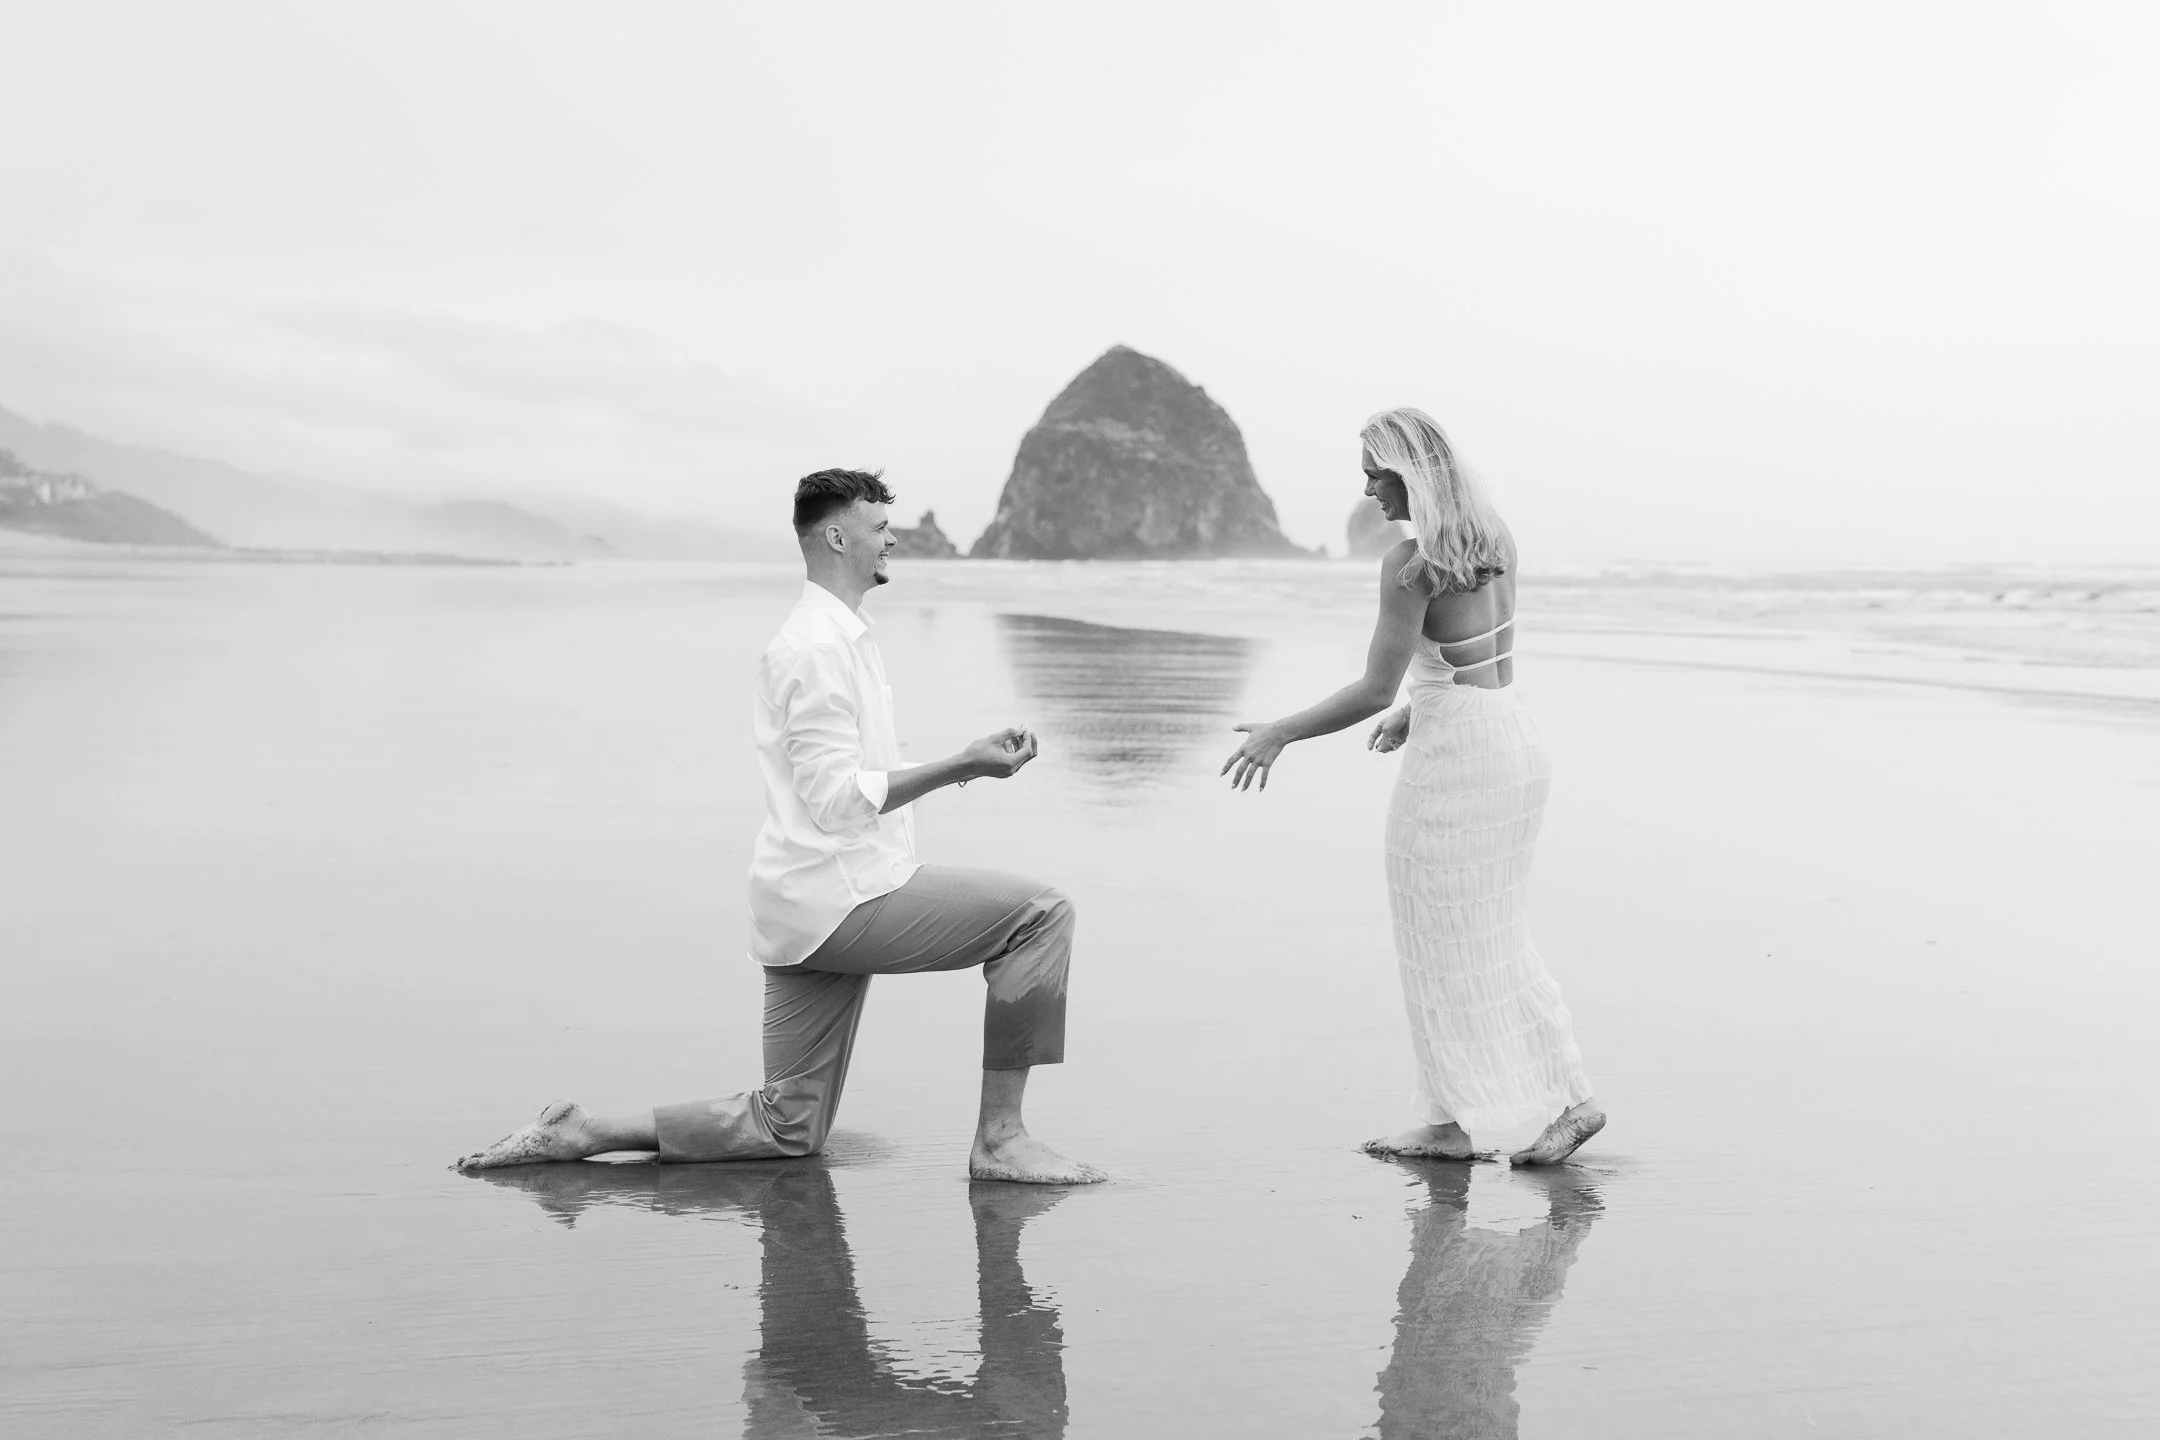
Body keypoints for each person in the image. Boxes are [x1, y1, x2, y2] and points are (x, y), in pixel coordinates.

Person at [453, 468, 1103, 1184]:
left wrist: (964, 760)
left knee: (789, 1126)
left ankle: (581, 1131)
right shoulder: (817, 649)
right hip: (848, 898)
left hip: (802, 906)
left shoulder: (839, 637)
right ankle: (1002, 1140)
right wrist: (963, 765)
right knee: (1040, 916)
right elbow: (836, 800)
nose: (893, 541)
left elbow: (852, 774)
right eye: (880, 529)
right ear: (836, 536)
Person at [1219, 409, 1605, 1165]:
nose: (1367, 490)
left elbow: (1370, 687)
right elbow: (1471, 655)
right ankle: (1526, 1104)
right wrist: (1413, 708)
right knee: (1494, 934)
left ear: (1415, 473)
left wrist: (1279, 733)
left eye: (1377, 473)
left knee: (1438, 937)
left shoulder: (1411, 561)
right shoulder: (1494, 535)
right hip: (1510, 737)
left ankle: (1469, 1121)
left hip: (1459, 757)